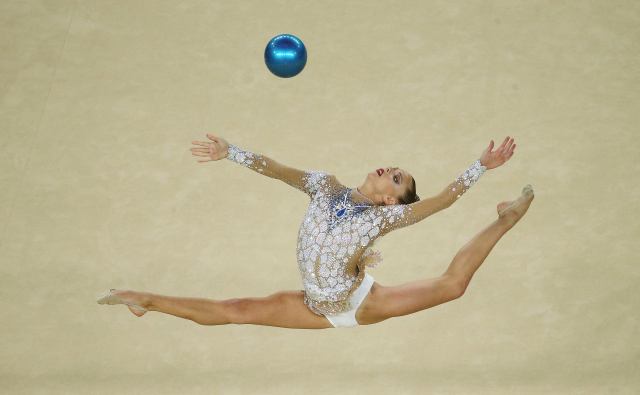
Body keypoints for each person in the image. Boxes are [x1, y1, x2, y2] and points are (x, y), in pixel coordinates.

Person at [97, 134, 533, 329]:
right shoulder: (323, 185)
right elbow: (276, 170)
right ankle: (146, 301)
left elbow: (443, 200)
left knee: (452, 285)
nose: (390, 171)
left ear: (389, 202)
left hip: (358, 304)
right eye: (394, 169)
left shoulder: (383, 218)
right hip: (312, 306)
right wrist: (231, 153)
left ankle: (505, 219)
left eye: (397, 180)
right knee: (233, 310)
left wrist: (481, 167)